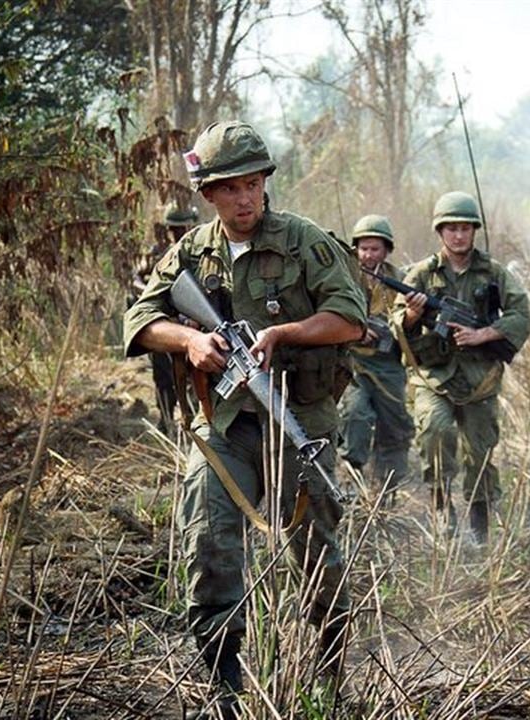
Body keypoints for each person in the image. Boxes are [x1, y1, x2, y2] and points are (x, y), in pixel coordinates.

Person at [123, 121, 365, 715]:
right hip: (223, 426)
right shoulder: (192, 253)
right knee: (209, 547)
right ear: (209, 194)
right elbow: (138, 321)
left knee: (320, 558)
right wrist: (189, 342)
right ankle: (226, 687)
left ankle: (331, 676)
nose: (245, 199)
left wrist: (283, 333)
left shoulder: (304, 241)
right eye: (231, 188)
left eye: (253, 185)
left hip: (298, 422)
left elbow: (352, 318)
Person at [391, 191, 530, 544]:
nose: (458, 235)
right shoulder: (421, 274)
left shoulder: (494, 272)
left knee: (480, 452)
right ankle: (441, 508)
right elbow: (396, 326)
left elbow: (521, 314)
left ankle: (480, 524)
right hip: (433, 377)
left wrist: (483, 334)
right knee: (435, 431)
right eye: (451, 228)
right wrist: (412, 314)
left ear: (474, 231)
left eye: (464, 228)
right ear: (440, 232)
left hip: (479, 380)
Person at [339, 214, 415, 500]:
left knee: (395, 426)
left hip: (389, 366)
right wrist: (356, 331)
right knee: (356, 415)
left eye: (375, 249)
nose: (369, 255)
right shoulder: (344, 279)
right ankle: (350, 484)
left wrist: (410, 315)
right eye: (364, 248)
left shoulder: (401, 281)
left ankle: (387, 491)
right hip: (353, 362)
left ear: (386, 250)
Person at [131, 203, 200, 433]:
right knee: (162, 374)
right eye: (175, 229)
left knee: (197, 372)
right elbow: (136, 278)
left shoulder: (202, 249)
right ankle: (166, 417)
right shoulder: (157, 253)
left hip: (194, 322)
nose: (179, 234)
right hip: (164, 324)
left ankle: (195, 417)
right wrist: (150, 292)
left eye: (183, 228)